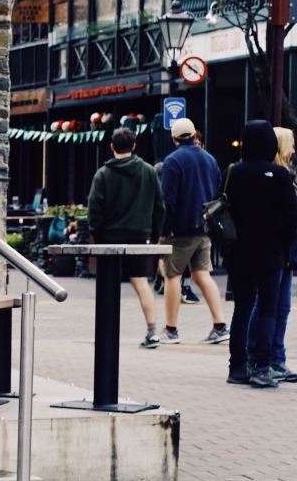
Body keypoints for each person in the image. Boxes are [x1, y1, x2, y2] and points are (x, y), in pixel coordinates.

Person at [219, 121, 297, 388]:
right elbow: (291, 218)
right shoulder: (279, 175)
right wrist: (284, 245)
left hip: (237, 251)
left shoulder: (232, 171)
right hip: (270, 253)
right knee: (268, 309)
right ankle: (262, 367)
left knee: (241, 309)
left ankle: (237, 367)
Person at [84, 127, 166, 347]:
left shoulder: (103, 174)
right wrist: (154, 236)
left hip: (109, 238)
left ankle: (106, 333)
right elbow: (160, 207)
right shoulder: (148, 172)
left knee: (107, 285)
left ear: (112, 147)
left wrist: (97, 235)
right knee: (141, 282)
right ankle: (152, 332)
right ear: (134, 146)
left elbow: (94, 209)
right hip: (139, 236)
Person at [156, 118, 230, 344]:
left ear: (174, 137)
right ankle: (220, 326)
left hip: (181, 229)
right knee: (201, 274)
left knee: (171, 276)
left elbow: (168, 199)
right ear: (195, 135)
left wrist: (164, 231)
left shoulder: (172, 160)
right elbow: (218, 191)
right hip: (204, 227)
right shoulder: (209, 159)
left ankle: (170, 330)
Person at [268, 128, 297, 382]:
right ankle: (269, 357)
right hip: (278, 250)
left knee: (283, 306)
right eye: (291, 145)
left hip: (286, 252)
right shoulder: (279, 176)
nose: (294, 150)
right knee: (270, 305)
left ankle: (277, 357)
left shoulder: (288, 174)